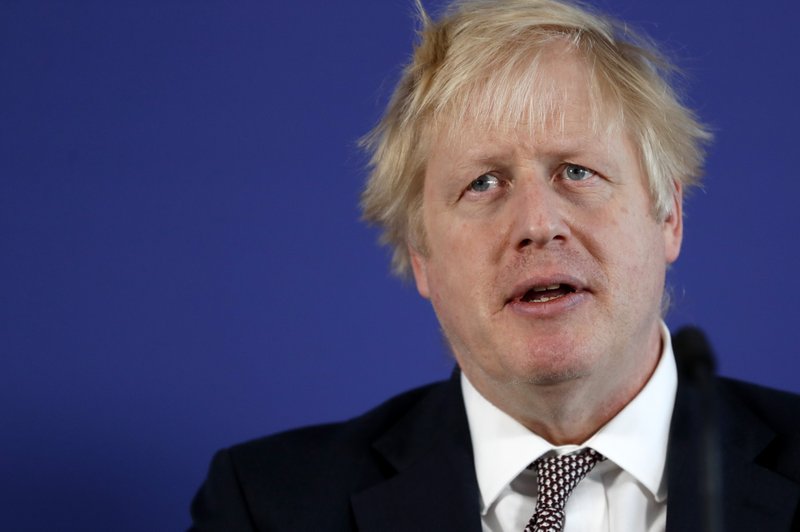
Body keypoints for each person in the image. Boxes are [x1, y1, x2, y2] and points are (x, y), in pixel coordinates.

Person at [189, 1, 800, 530]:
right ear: (421, 255)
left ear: (668, 216)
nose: (537, 223)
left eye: (577, 172)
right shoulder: (267, 508)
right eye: (483, 183)